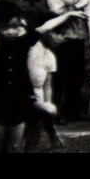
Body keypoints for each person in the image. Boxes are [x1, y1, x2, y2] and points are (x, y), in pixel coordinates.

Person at [0, 1, 88, 152]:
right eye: (5, 27)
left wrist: (68, 15)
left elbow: (45, 27)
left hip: (18, 101)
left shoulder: (23, 42)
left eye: (14, 26)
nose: (11, 31)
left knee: (14, 146)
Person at [45, 0, 90, 121]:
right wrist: (78, 5)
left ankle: (73, 110)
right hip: (63, 37)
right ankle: (57, 113)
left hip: (78, 36)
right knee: (60, 76)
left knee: (77, 76)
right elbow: (57, 13)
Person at [23, 14, 66, 152]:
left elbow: (47, 87)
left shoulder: (50, 56)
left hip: (36, 100)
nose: (61, 38)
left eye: (63, 34)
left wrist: (52, 131)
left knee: (32, 140)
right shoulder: (29, 48)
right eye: (57, 33)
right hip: (18, 98)